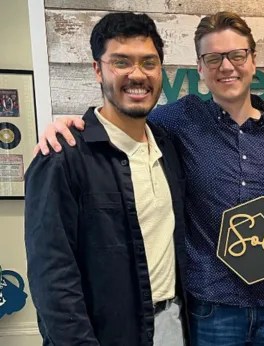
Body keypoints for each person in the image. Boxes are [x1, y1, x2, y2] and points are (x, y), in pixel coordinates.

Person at [34, 12, 264, 346]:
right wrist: (70, 124)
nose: (226, 66)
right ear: (199, 67)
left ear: (253, 61)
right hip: (210, 309)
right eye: (213, 58)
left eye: (236, 55)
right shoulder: (175, 123)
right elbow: (123, 118)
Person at [24, 12, 187, 346]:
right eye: (121, 62)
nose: (137, 75)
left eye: (149, 62)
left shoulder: (167, 147)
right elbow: (52, 278)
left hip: (174, 325)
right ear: (98, 70)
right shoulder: (62, 156)